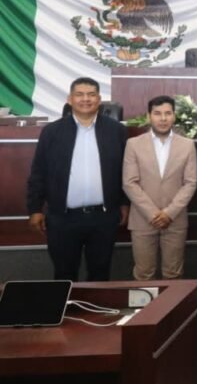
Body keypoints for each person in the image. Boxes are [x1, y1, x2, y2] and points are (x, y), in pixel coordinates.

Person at [26, 77, 128, 281]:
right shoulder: (52, 132)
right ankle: (67, 303)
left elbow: (126, 171)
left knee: (100, 273)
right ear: (70, 99)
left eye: (91, 94)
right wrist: (35, 209)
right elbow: (38, 172)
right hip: (62, 218)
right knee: (64, 274)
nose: (85, 99)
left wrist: (124, 203)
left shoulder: (116, 130)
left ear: (99, 99)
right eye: (79, 94)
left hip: (103, 217)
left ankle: (97, 304)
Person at [122, 95, 197, 281]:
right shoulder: (133, 144)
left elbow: (190, 182)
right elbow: (129, 183)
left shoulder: (187, 145)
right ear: (149, 116)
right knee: (143, 273)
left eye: (167, 113)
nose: (163, 118)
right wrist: (153, 214)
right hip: (143, 219)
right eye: (157, 113)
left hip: (175, 219)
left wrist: (169, 213)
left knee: (173, 274)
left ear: (174, 116)